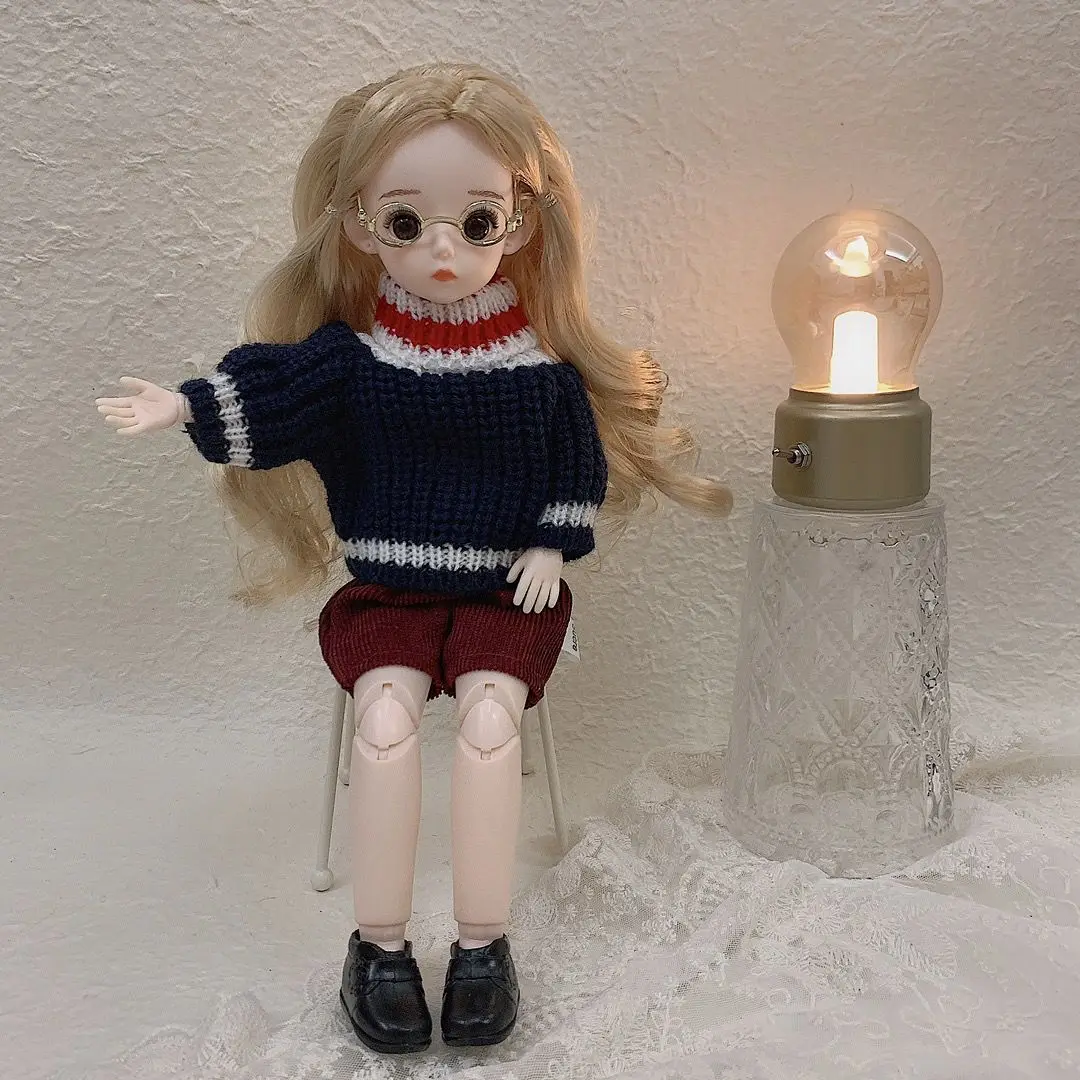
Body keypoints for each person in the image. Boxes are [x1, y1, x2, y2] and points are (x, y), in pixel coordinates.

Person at [96, 61, 732, 1055]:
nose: (443, 248)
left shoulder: (540, 374)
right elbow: (274, 392)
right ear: (359, 225)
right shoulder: (355, 364)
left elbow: (574, 467)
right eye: (406, 222)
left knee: (489, 716)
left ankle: (484, 944)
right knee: (386, 719)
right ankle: (379, 945)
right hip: (387, 594)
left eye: (476, 222)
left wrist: (552, 546)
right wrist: (184, 405)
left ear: (520, 224)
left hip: (504, 597)